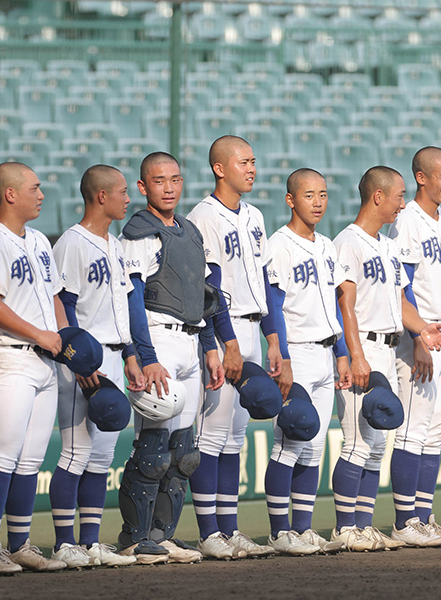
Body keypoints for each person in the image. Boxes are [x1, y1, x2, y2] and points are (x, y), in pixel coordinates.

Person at [331, 165, 441, 551]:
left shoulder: (386, 244)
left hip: (386, 346)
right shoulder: (348, 242)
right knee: (355, 443)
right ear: (377, 197)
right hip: (363, 349)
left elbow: (401, 303)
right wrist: (355, 355)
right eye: (399, 195)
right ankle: (344, 528)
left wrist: (422, 329)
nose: (403, 202)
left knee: (378, 444)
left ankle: (364, 526)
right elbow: (344, 305)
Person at [119, 152, 225, 563]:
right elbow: (131, 300)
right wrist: (144, 356)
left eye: (175, 180)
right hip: (158, 341)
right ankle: (133, 537)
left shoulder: (190, 231)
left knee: (185, 452)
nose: (169, 187)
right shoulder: (140, 233)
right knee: (154, 448)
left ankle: (162, 536)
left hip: (192, 340)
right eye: (159, 181)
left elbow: (204, 295)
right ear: (144, 187)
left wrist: (212, 345)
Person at [186, 135, 283, 559]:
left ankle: (230, 529)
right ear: (220, 168)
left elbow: (261, 281)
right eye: (243, 162)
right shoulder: (201, 217)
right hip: (221, 334)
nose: (252, 168)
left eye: (254, 161)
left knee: (234, 439)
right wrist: (220, 343)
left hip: (250, 331)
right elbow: (206, 290)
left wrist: (273, 338)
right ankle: (209, 533)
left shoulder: (255, 215)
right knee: (211, 437)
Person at [0, 162, 68, 574]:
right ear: (10, 194)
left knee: (31, 460)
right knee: (3, 456)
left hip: (44, 361)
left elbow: (54, 298)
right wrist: (40, 334)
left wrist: (64, 334)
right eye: (35, 187)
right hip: (9, 357)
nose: (41, 194)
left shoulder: (40, 242)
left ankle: (20, 543)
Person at [48, 165, 141, 568]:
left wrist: (132, 356)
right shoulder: (72, 242)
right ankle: (64, 543)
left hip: (116, 355)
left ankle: (90, 541)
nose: (127, 197)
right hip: (84, 359)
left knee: (102, 457)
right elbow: (63, 304)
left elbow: (123, 306)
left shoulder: (116, 244)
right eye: (122, 191)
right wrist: (76, 356)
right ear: (101, 196)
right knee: (75, 452)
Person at [387, 146, 441, 547]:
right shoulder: (406, 221)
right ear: (421, 177)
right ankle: (405, 522)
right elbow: (401, 287)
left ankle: (424, 517)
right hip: (421, 338)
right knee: (412, 430)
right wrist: (418, 336)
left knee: (434, 430)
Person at [263, 168, 352, 556]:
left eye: (323, 195)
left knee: (313, 447)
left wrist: (343, 353)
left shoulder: (327, 246)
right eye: (309, 195)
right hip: (295, 351)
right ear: (291, 200)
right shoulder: (278, 245)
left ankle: (303, 528)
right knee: (290, 442)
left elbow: (334, 304)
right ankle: (279, 531)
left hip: (325, 351)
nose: (317, 202)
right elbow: (274, 307)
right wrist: (281, 357)